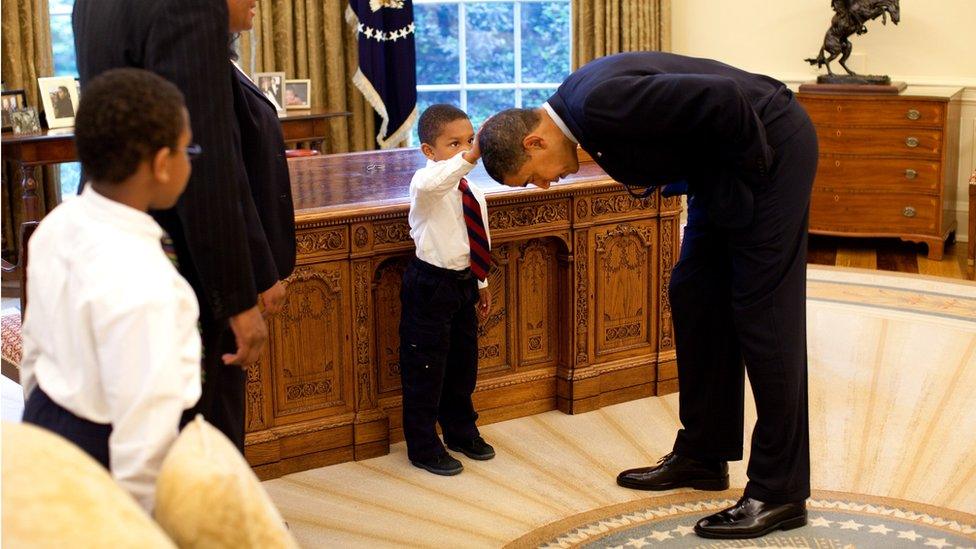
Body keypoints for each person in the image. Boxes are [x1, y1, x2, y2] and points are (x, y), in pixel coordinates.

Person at [478, 51, 818, 539]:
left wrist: (754, 177)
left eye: (533, 175)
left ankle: (780, 492)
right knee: (695, 293)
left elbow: (725, 98)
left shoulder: (598, 104)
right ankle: (704, 454)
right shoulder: (581, 110)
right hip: (724, 167)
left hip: (768, 150)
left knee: (764, 315)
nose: (544, 183)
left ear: (534, 140)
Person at [73, 0, 274, 452]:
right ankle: (215, 520)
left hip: (109, 227)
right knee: (201, 431)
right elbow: (205, 157)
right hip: (180, 253)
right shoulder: (190, 5)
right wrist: (239, 298)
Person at [20, 68, 201, 513]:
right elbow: (144, 435)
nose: (190, 161)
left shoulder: (56, 225)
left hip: (46, 419)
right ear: (161, 165)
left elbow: (34, 352)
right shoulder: (148, 282)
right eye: (187, 149)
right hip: (106, 453)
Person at [400, 104, 495, 476]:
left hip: (463, 284)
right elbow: (435, 181)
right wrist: (471, 156)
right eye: (453, 143)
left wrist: (481, 282)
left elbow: (478, 236)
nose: (464, 149)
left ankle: (460, 430)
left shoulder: (471, 190)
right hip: (430, 285)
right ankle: (423, 445)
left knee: (462, 364)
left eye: (469, 141)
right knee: (425, 367)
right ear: (429, 151)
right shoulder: (425, 186)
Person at [227, 0, 295, 326]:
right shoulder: (210, 74)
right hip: (241, 269)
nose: (255, 2)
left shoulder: (227, 62)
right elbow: (231, 183)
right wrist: (263, 271)